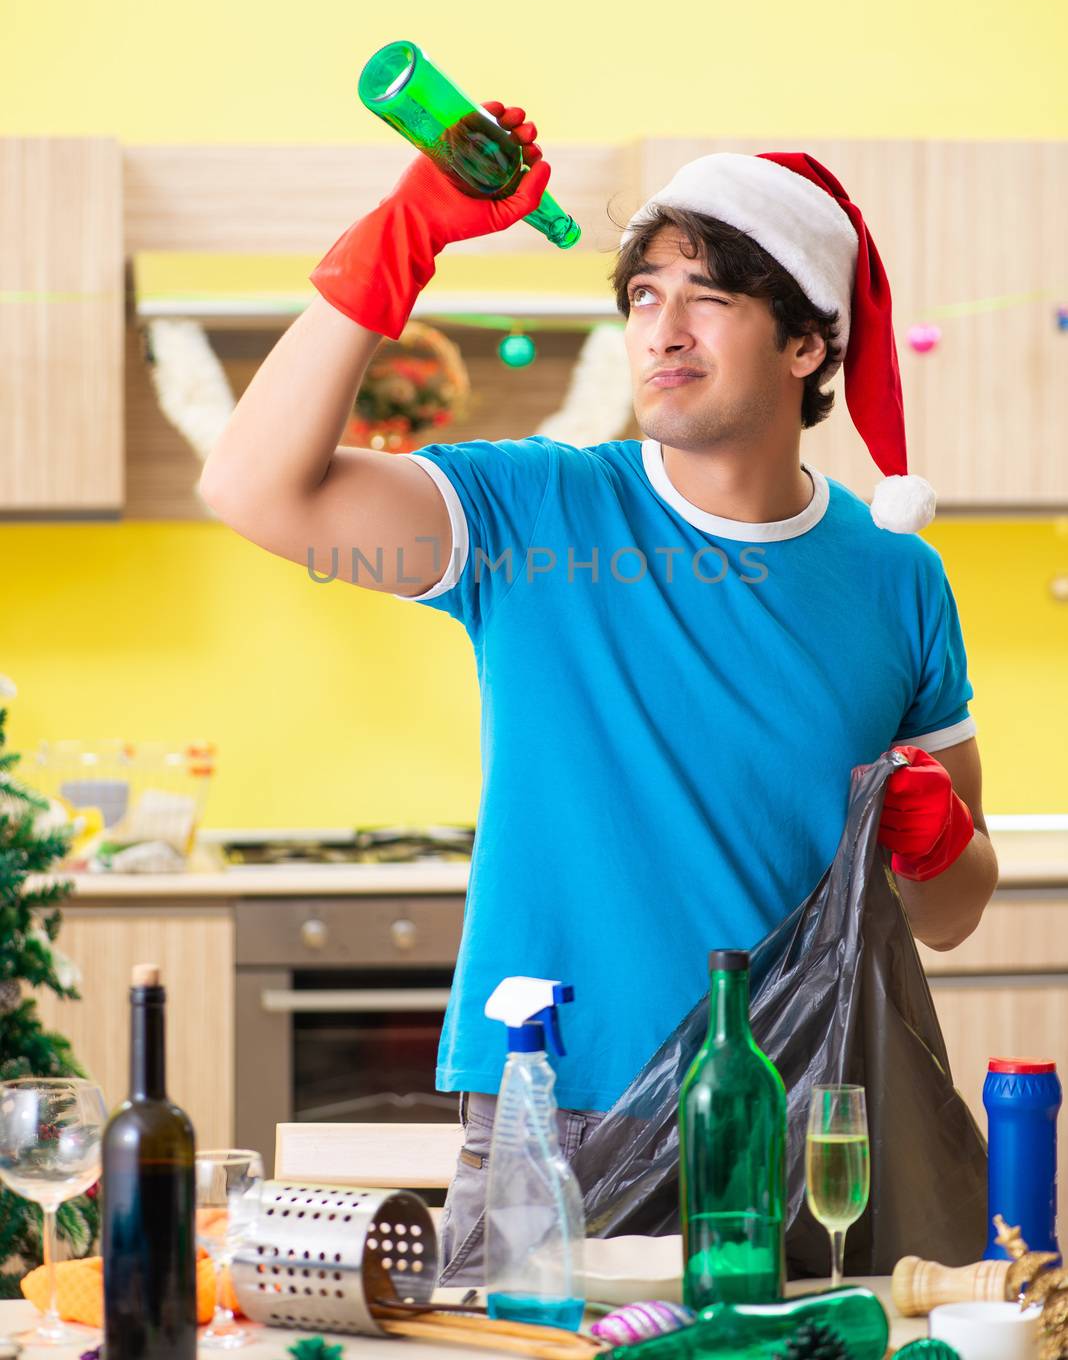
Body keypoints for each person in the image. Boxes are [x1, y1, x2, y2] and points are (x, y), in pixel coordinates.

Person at [199, 101, 998, 1283]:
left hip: (792, 1123)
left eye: (709, 296)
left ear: (807, 346)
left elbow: (952, 912)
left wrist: (937, 841)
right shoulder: (539, 517)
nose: (662, 330)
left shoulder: (896, 581)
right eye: (643, 296)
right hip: (551, 1120)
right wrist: (401, 236)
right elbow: (257, 489)